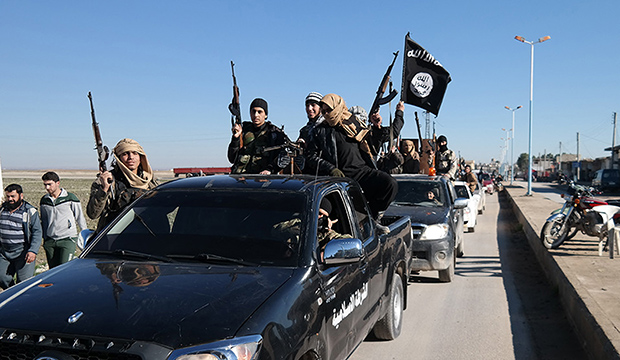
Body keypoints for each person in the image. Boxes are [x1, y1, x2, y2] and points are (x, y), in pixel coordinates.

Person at [306, 93, 398, 219]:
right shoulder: (320, 131)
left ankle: (373, 217)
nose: (327, 114)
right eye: (324, 111)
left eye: (329, 110)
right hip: (340, 177)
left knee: (389, 184)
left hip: (361, 172)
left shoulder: (353, 123)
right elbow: (311, 156)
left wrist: (377, 127)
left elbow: (373, 148)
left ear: (338, 107)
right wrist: (331, 169)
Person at [87, 138, 158, 233]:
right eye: (125, 154)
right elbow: (93, 214)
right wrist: (104, 190)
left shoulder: (150, 181)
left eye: (135, 153)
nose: (130, 157)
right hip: (116, 236)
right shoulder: (108, 181)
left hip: (147, 234)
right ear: (118, 158)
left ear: (141, 157)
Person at [40, 171, 88, 268]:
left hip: (67, 239)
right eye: (45, 185)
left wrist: (85, 237)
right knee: (53, 270)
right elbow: (44, 220)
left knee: (65, 268)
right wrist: (45, 238)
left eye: (49, 184)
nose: (47, 188)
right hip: (50, 240)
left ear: (58, 183)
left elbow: (80, 218)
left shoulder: (70, 198)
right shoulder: (44, 200)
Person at [227, 98, 287, 174]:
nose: (256, 115)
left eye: (260, 112)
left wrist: (270, 169)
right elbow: (232, 158)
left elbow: (283, 157)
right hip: (239, 178)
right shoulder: (243, 130)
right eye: (253, 111)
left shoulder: (274, 133)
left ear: (265, 115)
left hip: (261, 180)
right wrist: (235, 139)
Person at [0, 184, 42, 289]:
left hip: (23, 252)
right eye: (8, 196)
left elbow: (37, 232)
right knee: (2, 278)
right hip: (4, 252)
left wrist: (33, 251)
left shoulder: (29, 211)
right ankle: (12, 294)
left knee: (24, 283)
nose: (10, 199)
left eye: (13, 196)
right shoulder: (2, 210)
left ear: (21, 196)